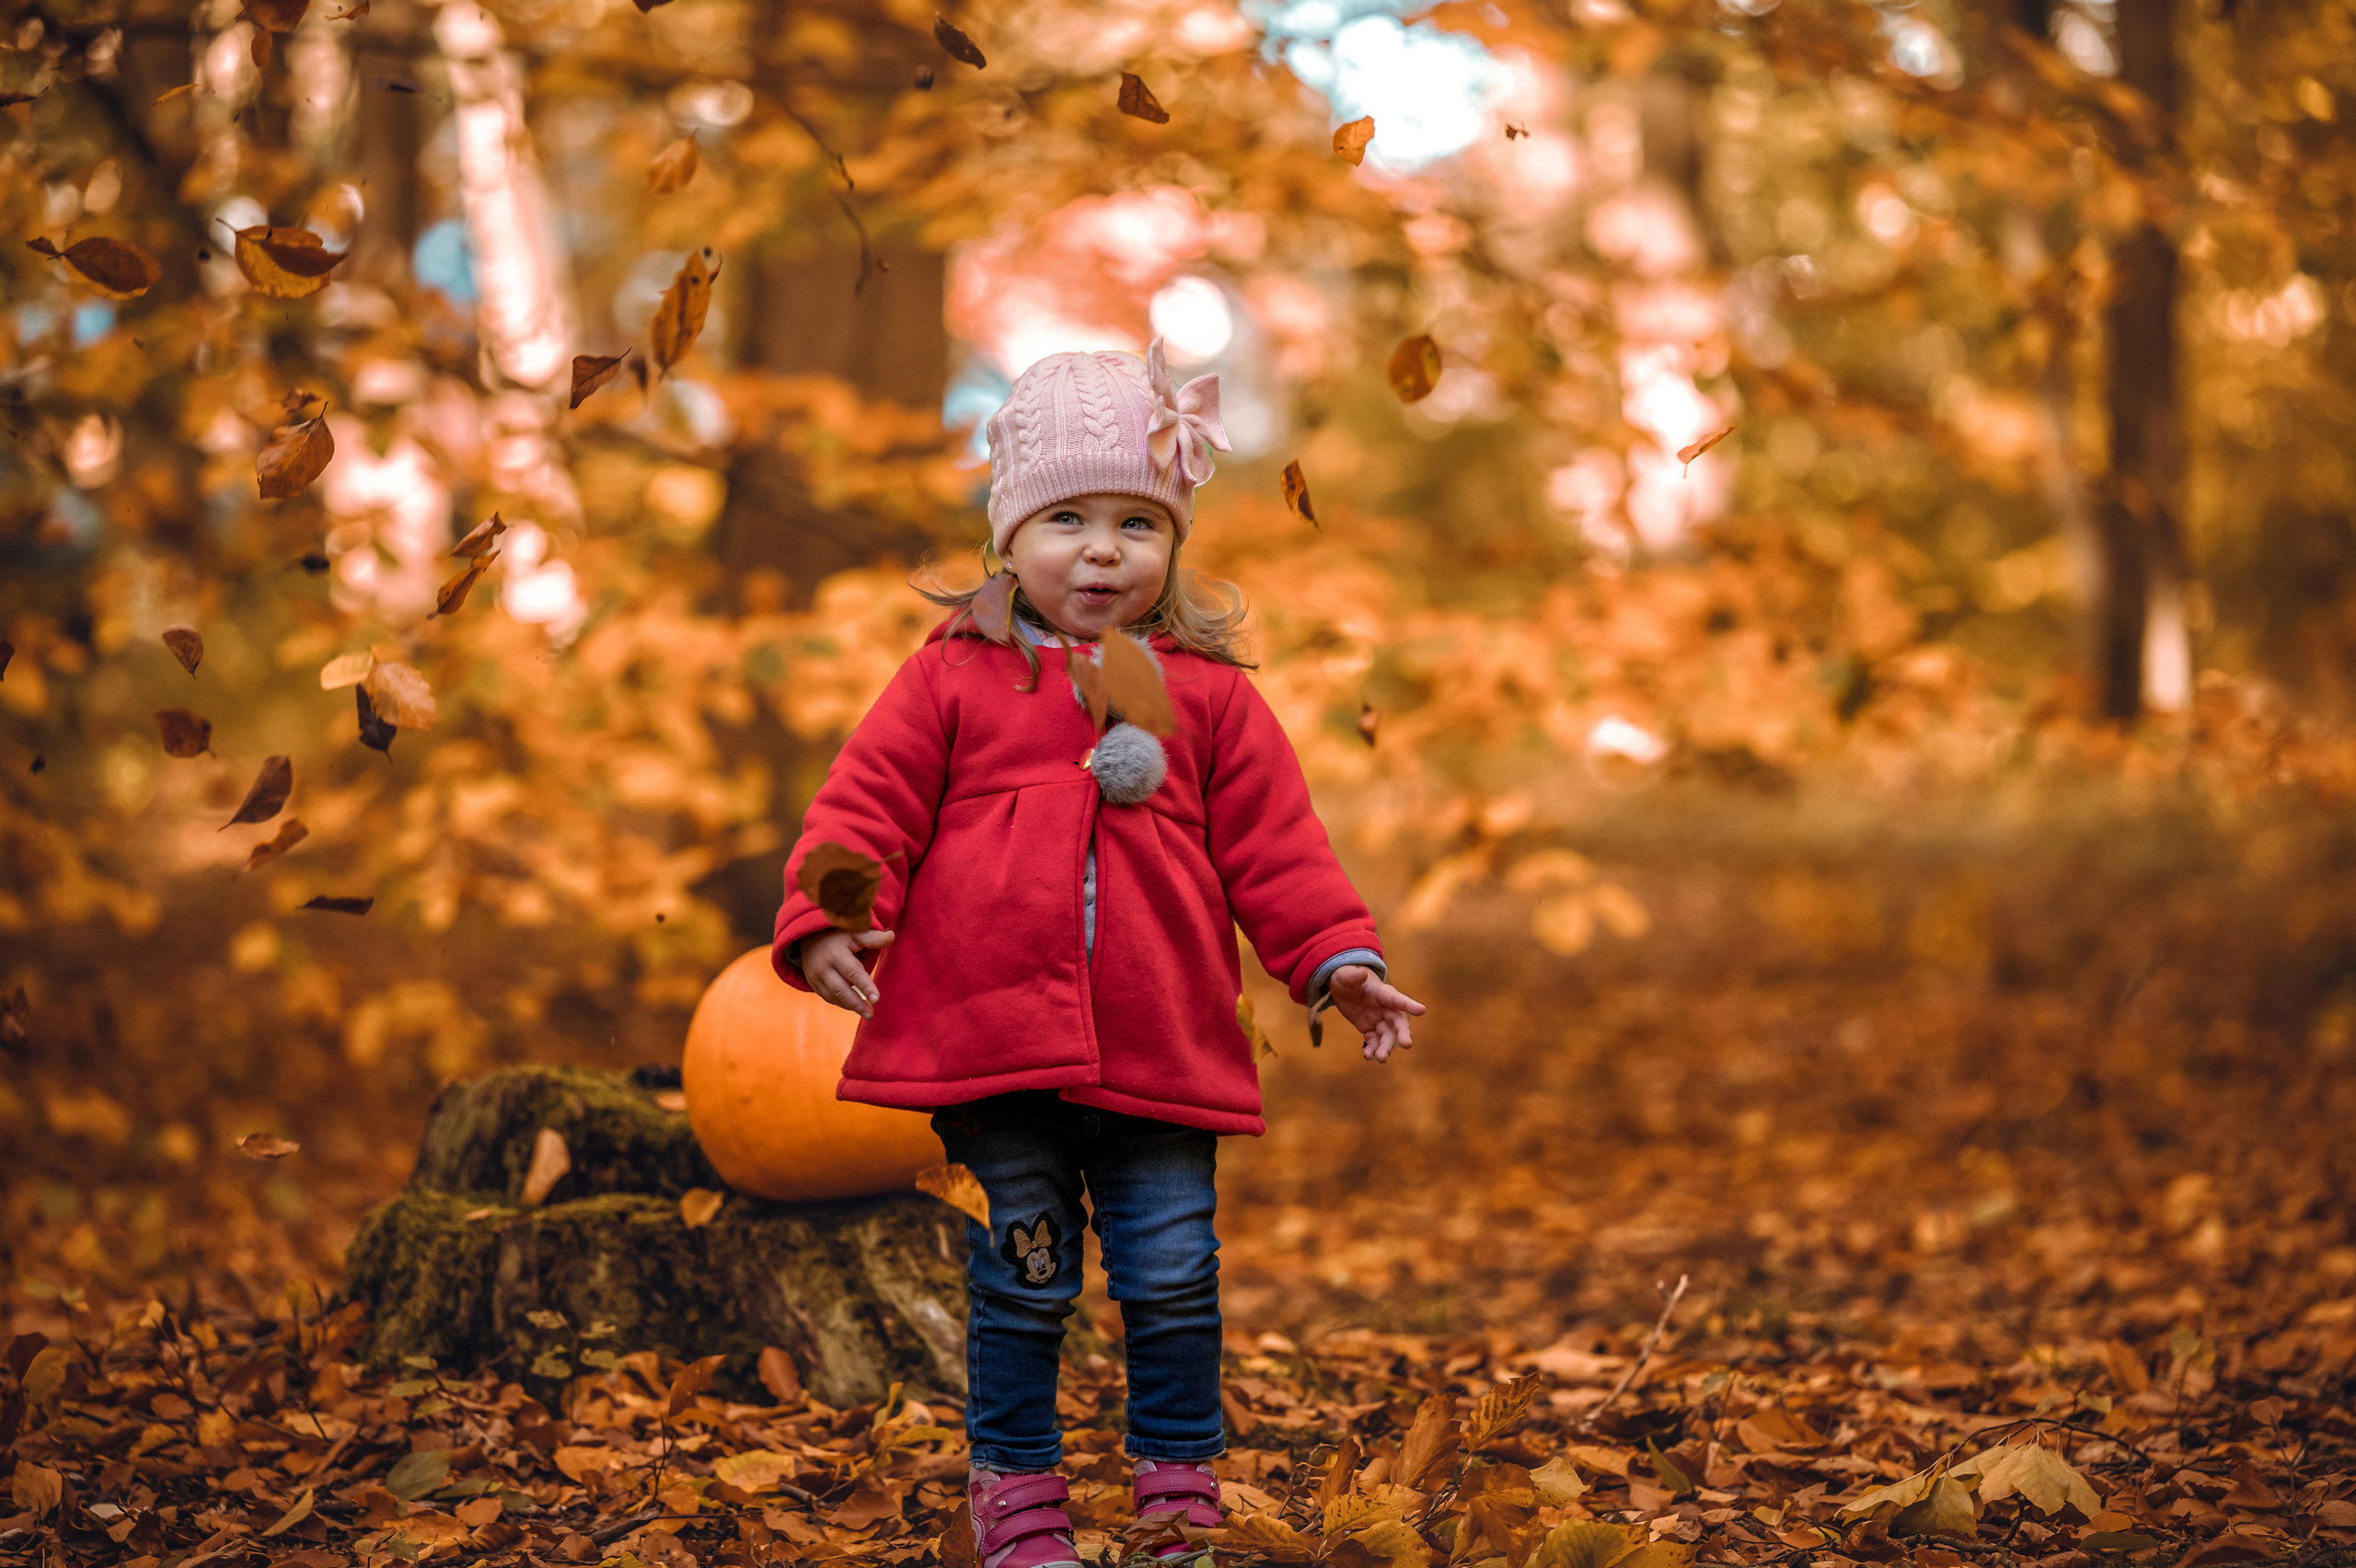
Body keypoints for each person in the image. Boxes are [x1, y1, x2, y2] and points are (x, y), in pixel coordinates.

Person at [772, 340, 1425, 1568]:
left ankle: (1178, 1487)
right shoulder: (954, 680)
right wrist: (829, 918)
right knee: (1025, 1278)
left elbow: (1279, 852)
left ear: (1173, 542)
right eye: (1067, 518)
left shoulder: (1213, 700)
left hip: (1162, 1055)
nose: (1103, 549)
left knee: (1175, 1279)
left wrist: (1338, 960)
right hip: (995, 1055)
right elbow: (861, 811)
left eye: (1138, 521)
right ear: (1009, 538)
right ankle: (1016, 1494)